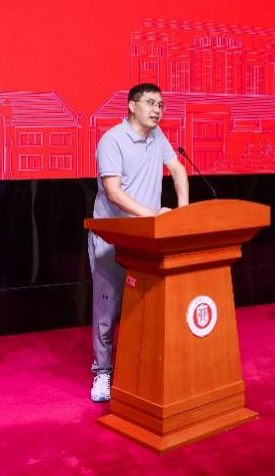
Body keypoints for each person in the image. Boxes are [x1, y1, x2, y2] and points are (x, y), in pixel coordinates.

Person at [88, 83, 188, 402]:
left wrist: (183, 212)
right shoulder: (112, 140)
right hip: (112, 236)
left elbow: (177, 169)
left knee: (147, 306)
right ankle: (102, 372)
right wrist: (152, 215)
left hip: (147, 238)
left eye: (161, 105)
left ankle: (140, 368)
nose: (157, 110)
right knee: (107, 309)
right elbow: (113, 193)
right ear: (132, 105)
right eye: (150, 103)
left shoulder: (157, 137)